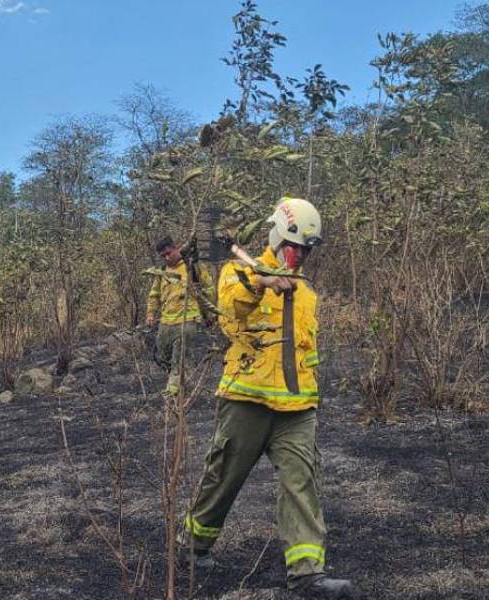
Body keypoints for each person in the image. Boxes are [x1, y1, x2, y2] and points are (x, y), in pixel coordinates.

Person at [179, 198, 362, 599]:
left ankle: (307, 576)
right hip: (247, 401)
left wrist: (311, 394)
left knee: (302, 484)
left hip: (297, 410)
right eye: (297, 248)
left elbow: (306, 352)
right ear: (278, 236)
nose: (302, 257)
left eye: (308, 251)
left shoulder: (307, 294)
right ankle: (193, 546)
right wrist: (260, 282)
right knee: (223, 477)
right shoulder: (238, 271)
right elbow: (230, 310)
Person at [145, 236, 213, 396]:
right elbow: (154, 294)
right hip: (166, 323)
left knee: (179, 358)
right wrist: (150, 314)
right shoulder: (162, 271)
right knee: (163, 356)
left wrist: (209, 314)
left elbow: (208, 290)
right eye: (163, 256)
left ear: (176, 248)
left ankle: (173, 393)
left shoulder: (193, 267)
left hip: (188, 321)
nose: (167, 258)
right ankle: (179, 381)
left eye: (169, 253)